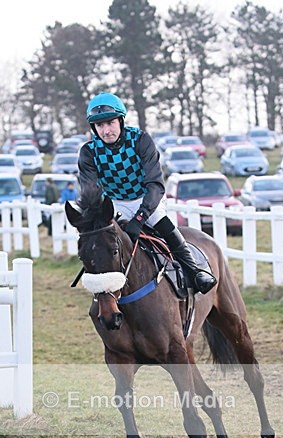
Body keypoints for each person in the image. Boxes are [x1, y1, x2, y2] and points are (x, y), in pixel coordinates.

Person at [78, 92, 216, 294]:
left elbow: (156, 185)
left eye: (110, 123)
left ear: (121, 120)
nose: (106, 131)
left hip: (147, 199)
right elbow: (90, 192)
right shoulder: (88, 151)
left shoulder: (141, 140)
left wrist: (139, 218)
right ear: (94, 127)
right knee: (100, 242)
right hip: (115, 203)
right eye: (100, 126)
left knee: (167, 228)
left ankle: (195, 272)